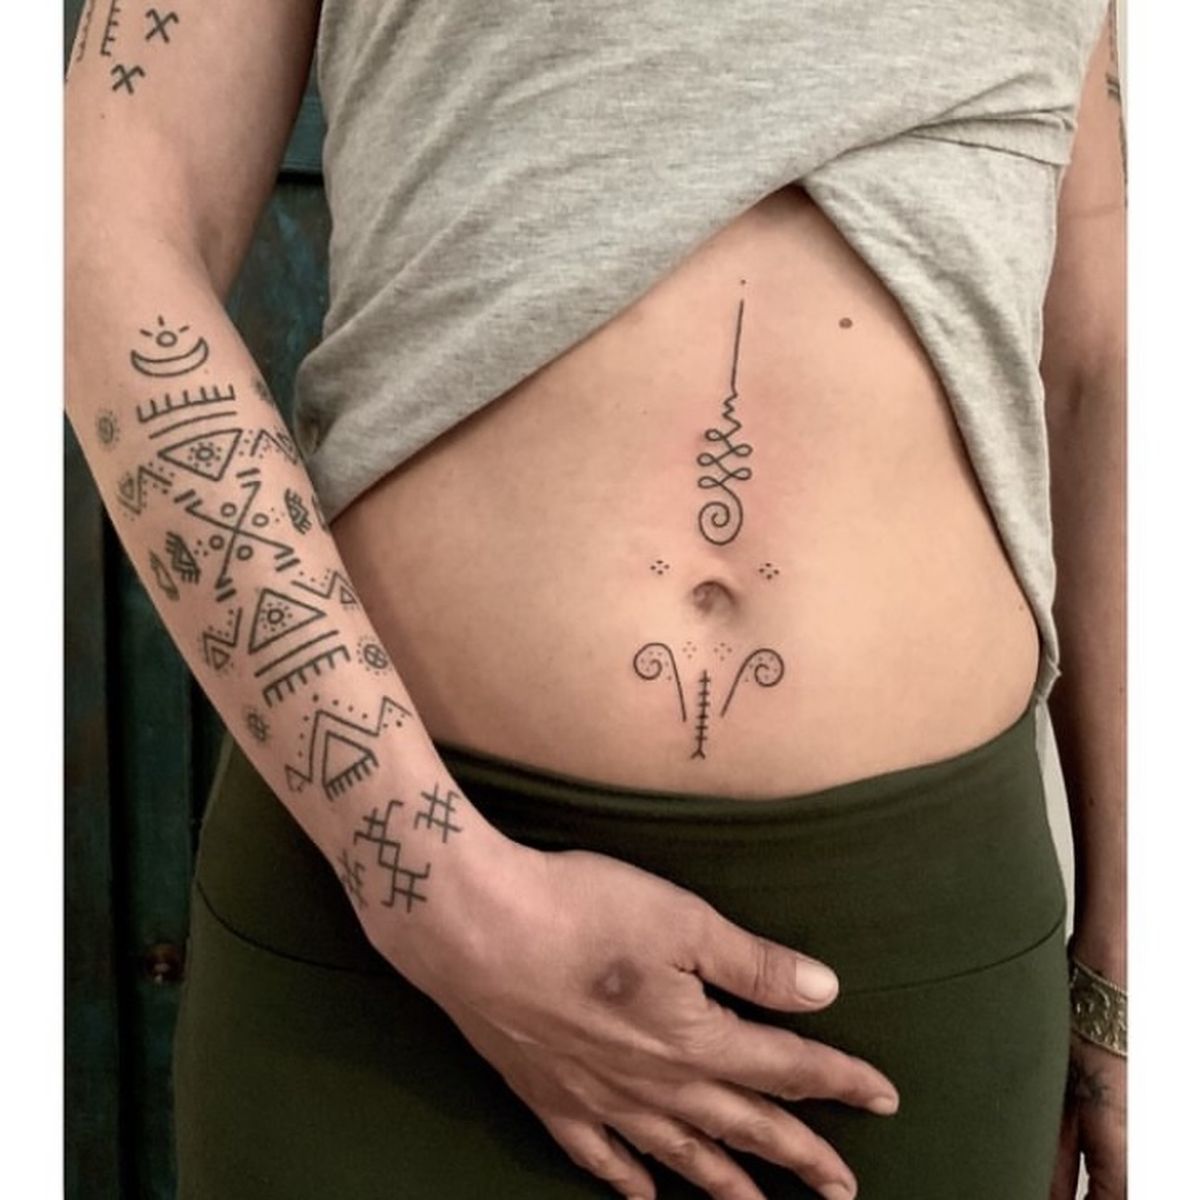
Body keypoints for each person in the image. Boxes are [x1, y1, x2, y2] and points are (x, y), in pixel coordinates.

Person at [64, 1, 1126, 1197]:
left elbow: (1095, 360)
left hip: (910, 968)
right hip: (392, 947)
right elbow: (104, 226)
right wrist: (437, 890)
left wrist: (1130, 961)